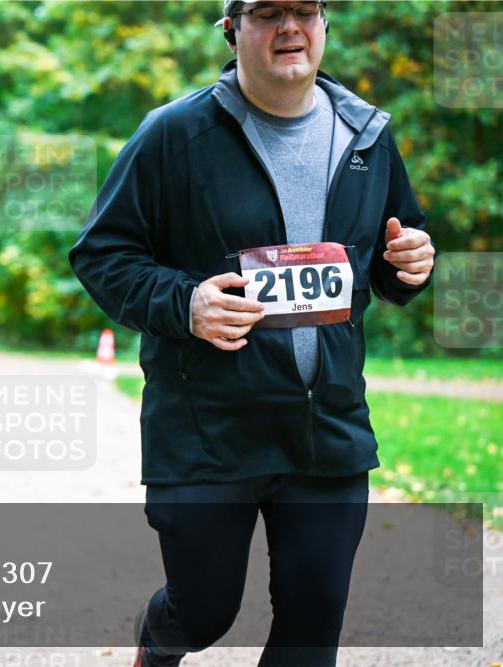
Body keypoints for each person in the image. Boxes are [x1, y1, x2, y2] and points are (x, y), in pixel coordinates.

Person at [67, 2, 435, 666]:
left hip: (327, 431)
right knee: (203, 612)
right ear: (233, 29)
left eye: (304, 10)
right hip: (208, 429)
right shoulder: (173, 135)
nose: (289, 27)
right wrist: (186, 303)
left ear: (325, 25)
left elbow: (386, 259)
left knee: (311, 630)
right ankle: (159, 644)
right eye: (268, 12)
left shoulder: (367, 134)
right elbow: (101, 254)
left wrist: (408, 265)